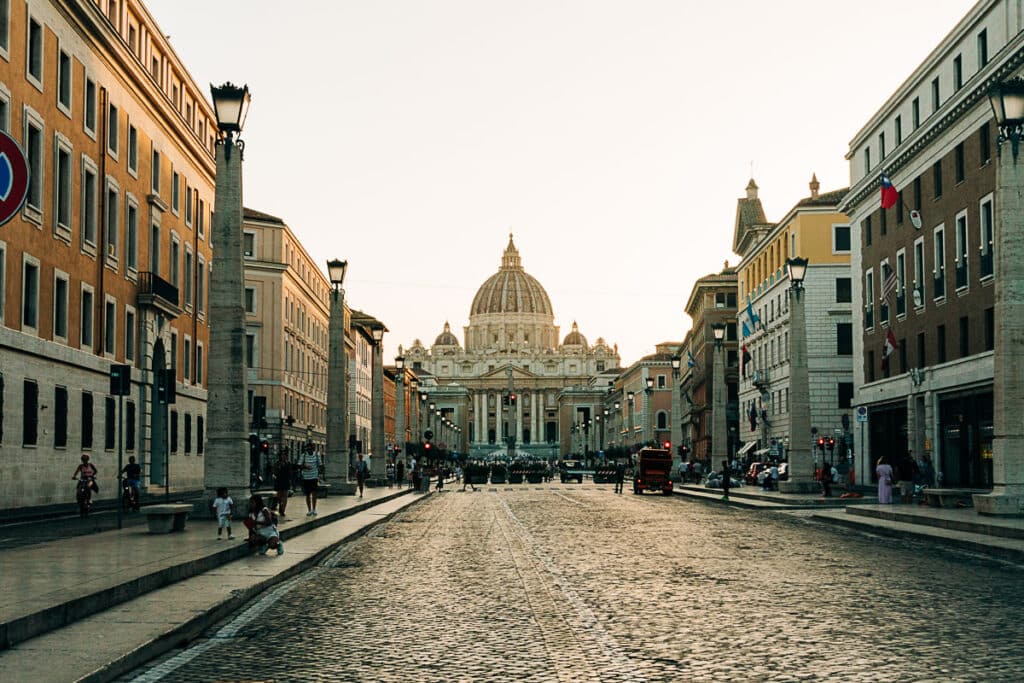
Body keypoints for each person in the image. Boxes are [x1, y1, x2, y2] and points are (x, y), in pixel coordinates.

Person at [298, 442, 320, 516]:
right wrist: (305, 467)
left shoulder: (317, 455)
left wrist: (319, 474)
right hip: (306, 477)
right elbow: (299, 465)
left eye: (311, 448)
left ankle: (314, 509)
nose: (309, 450)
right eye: (308, 449)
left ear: (313, 449)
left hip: (314, 477)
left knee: (314, 494)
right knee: (307, 494)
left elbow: (320, 464)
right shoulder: (303, 456)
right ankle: (309, 510)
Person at [273, 449, 292, 518]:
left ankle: (283, 510)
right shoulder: (277, 463)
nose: (283, 456)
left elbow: (290, 472)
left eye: (284, 455)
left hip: (286, 481)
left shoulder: (288, 463)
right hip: (279, 481)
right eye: (282, 455)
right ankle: (280, 506)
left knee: (285, 496)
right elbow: (275, 471)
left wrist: (290, 480)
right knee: (279, 496)